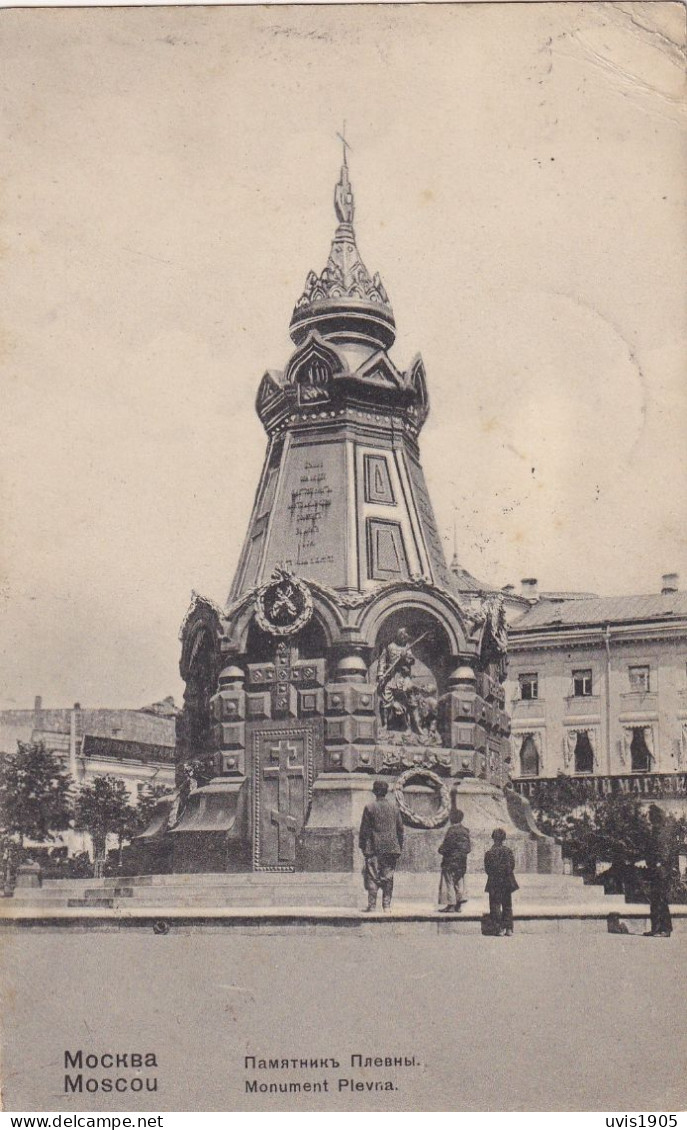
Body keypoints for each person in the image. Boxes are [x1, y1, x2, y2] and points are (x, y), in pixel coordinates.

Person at [359, 779, 404, 912]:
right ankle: (386, 906)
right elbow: (400, 830)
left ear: (375, 792)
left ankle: (372, 906)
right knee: (388, 877)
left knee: (372, 876)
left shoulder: (370, 807)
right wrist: (398, 846)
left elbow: (364, 830)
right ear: (386, 792)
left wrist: (363, 847)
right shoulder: (395, 808)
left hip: (374, 847)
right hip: (391, 848)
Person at [644, 804, 673, 938]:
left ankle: (665, 929)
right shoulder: (655, 830)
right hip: (655, 869)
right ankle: (655, 928)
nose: (648, 817)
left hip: (660, 871)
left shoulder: (661, 831)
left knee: (661, 899)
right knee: (655, 899)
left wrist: (658, 863)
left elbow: (664, 851)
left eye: (650, 815)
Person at [484, 828, 519, 936]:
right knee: (507, 904)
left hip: (494, 882)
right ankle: (509, 928)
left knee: (495, 905)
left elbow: (487, 869)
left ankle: (499, 929)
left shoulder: (489, 853)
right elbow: (512, 865)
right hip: (507, 881)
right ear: (504, 838)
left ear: (493, 838)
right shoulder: (508, 851)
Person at [437, 808, 472, 912]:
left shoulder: (451, 831)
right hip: (461, 862)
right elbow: (468, 848)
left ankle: (451, 904)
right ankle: (459, 903)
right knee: (459, 882)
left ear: (451, 819)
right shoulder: (465, 831)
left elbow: (446, 846)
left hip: (450, 861)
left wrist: (441, 850)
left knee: (449, 882)